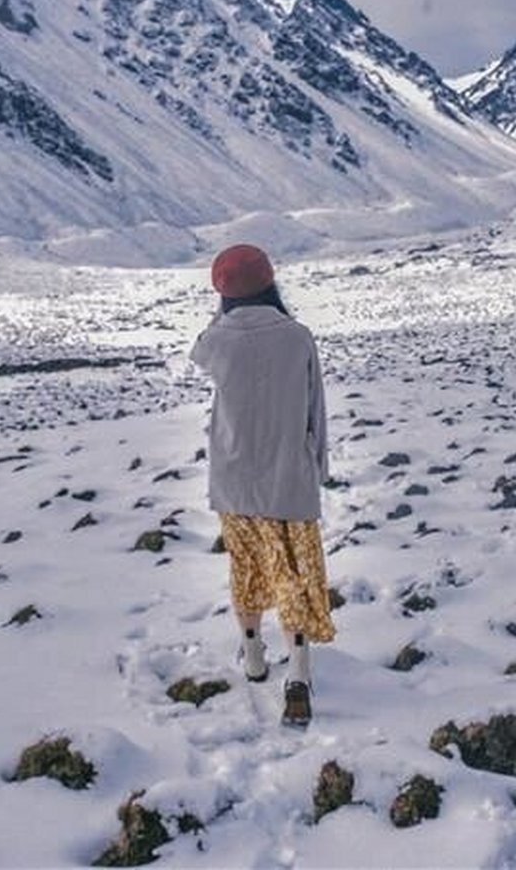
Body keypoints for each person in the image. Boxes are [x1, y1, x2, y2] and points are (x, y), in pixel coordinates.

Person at [188, 243, 334, 727]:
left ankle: (253, 657)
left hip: (233, 477)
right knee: (293, 571)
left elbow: (199, 353)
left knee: (247, 565)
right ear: (270, 281)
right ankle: (299, 672)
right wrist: (318, 467)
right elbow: (316, 409)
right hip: (288, 477)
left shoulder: (216, 340)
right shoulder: (297, 337)